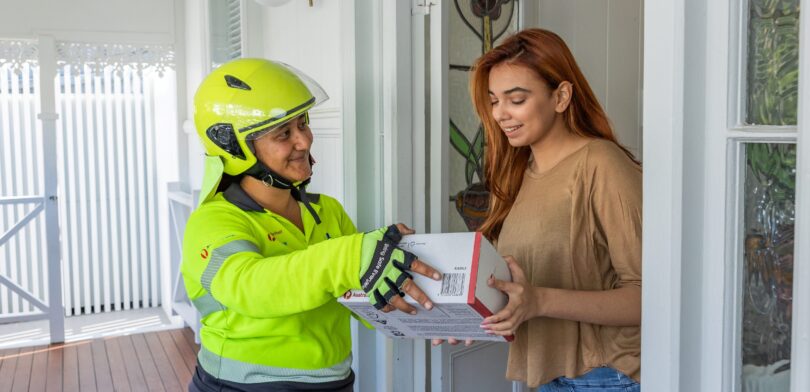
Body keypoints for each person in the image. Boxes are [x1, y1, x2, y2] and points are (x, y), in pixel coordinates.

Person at [182, 58, 441, 392]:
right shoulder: (213, 221)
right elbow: (250, 287)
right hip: (242, 386)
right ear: (235, 147)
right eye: (283, 134)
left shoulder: (327, 211)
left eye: (303, 124)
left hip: (335, 382)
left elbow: (361, 298)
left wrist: (433, 315)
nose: (304, 141)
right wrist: (350, 256)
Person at [470, 29, 643, 391]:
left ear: (561, 96)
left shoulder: (601, 164)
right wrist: (464, 316)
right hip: (546, 375)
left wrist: (540, 300)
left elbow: (649, 296)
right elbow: (522, 284)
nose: (500, 114)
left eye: (516, 99)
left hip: (608, 377)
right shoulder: (517, 174)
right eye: (494, 100)